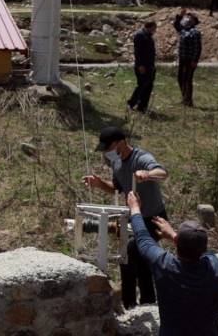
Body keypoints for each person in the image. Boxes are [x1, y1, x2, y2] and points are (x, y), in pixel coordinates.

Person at [82, 126, 169, 308]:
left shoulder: (141, 157)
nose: (107, 152)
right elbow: (115, 187)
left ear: (120, 142)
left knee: (132, 251)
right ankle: (132, 303)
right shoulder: (117, 163)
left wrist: (147, 174)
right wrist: (98, 184)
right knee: (132, 256)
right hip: (134, 217)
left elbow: (162, 173)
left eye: (108, 147)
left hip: (154, 219)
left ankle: (145, 302)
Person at [126, 190, 218, 336]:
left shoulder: (165, 266)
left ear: (177, 244)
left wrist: (134, 208)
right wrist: (174, 236)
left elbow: (142, 238)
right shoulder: (215, 267)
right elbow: (202, 252)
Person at [173, 9, 202, 107]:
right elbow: (176, 25)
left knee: (187, 79)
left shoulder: (195, 32)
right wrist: (180, 16)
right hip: (182, 58)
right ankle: (184, 98)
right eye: (187, 17)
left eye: (190, 18)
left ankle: (188, 101)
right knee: (180, 78)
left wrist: (195, 60)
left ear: (194, 21)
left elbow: (197, 48)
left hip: (190, 60)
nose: (188, 19)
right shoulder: (183, 29)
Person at [127, 20, 157, 113]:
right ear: (150, 27)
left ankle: (142, 106)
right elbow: (138, 52)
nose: (155, 30)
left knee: (148, 86)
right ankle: (132, 103)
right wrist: (140, 65)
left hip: (149, 65)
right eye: (154, 28)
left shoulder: (148, 35)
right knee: (142, 85)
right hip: (143, 66)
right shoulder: (140, 35)